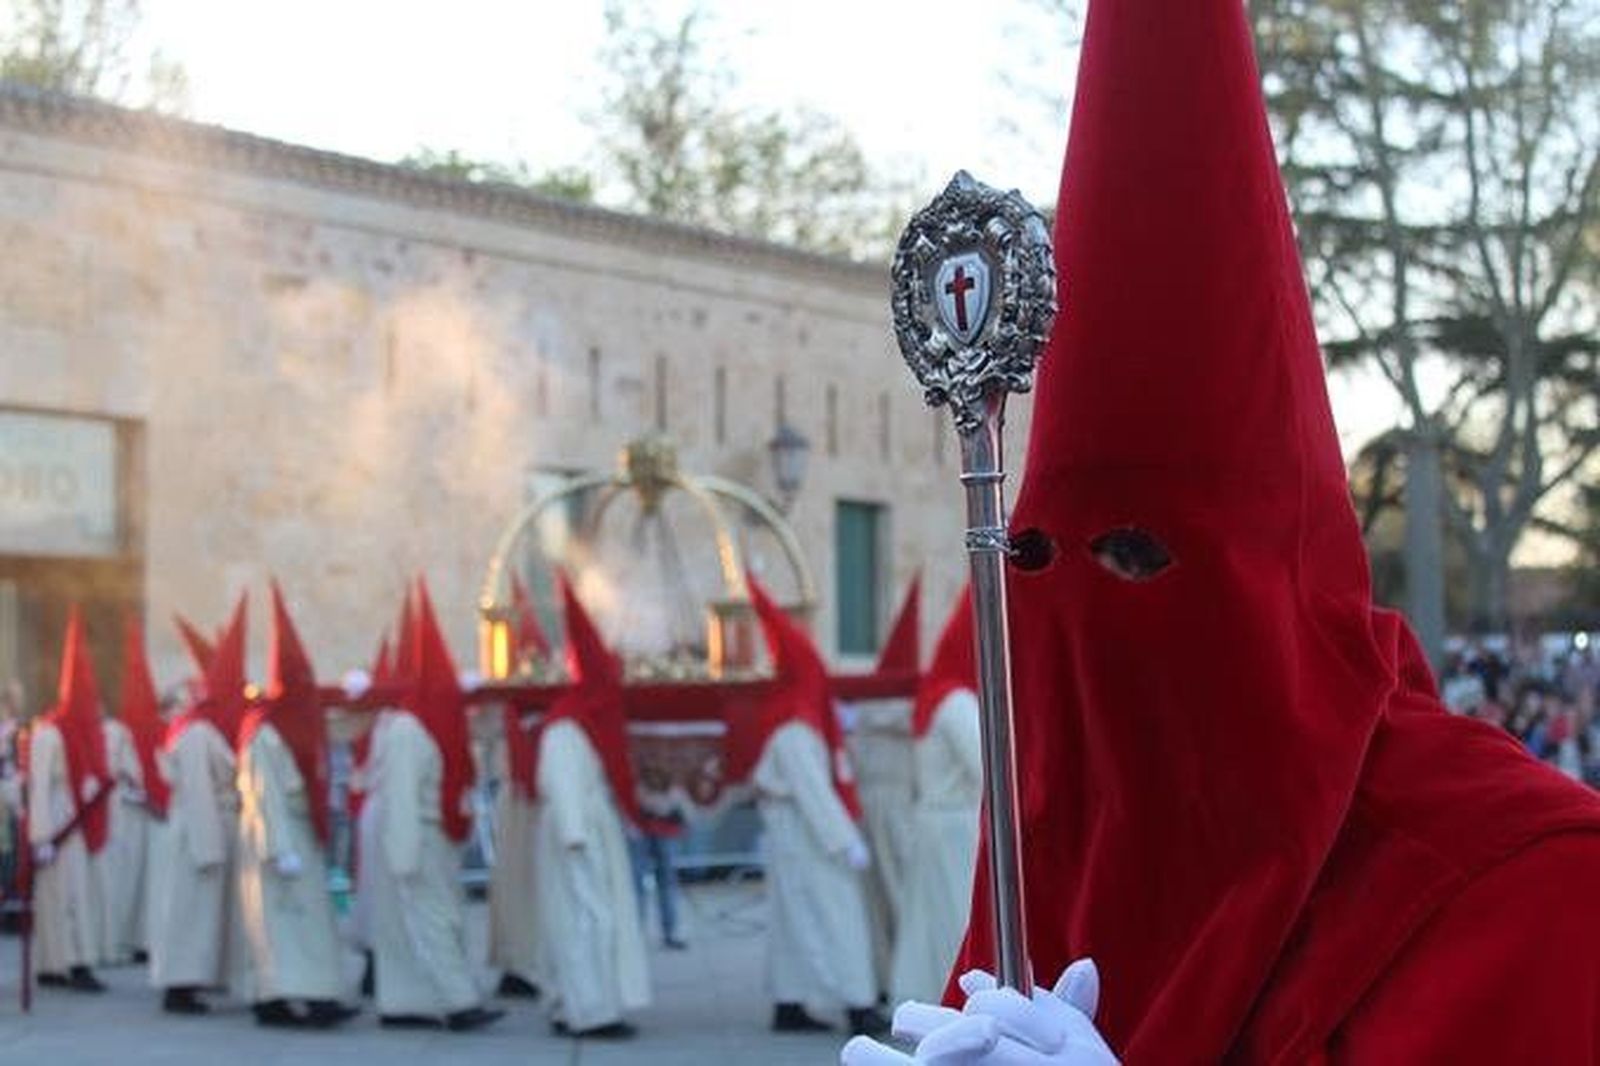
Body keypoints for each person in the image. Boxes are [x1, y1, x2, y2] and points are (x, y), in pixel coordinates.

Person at [847, 1, 1600, 1062]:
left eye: (1142, 556)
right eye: (1039, 561)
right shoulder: (1059, 834)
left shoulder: (1532, 887)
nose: (1091, 609)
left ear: (1288, 571)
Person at [730, 578, 887, 1037]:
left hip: (796, 836)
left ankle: (790, 1001)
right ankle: (856, 1003)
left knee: (794, 921)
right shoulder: (795, 730)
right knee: (835, 917)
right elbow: (815, 795)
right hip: (808, 838)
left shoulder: (793, 722)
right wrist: (846, 842)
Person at [362, 581, 501, 1031]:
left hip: (433, 835)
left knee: (426, 919)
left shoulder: (432, 725)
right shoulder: (406, 729)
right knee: (429, 918)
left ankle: (409, 1003)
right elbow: (400, 795)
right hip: (415, 837)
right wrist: (403, 854)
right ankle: (458, 1002)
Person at [233, 582, 358, 1028]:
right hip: (278, 834)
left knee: (305, 920)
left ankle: (299, 993)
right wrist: (278, 846)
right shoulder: (265, 731)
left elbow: (339, 728)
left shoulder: (296, 723)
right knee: (286, 921)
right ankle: (288, 996)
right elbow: (263, 792)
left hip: (298, 830)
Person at [531, 577, 650, 1039]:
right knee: (586, 919)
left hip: (586, 828)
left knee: (586, 918)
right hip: (574, 834)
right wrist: (576, 835)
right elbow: (562, 785)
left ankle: (574, 1002)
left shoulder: (584, 724)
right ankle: (590, 1010)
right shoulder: (565, 728)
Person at [150, 596, 250, 1015]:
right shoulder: (195, 734)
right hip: (198, 834)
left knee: (204, 915)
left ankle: (199, 979)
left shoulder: (207, 731)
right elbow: (198, 793)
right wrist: (210, 846)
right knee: (189, 914)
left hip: (211, 829)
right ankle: (180, 985)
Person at [889, 588, 981, 1006]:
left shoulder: (940, 696)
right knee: (954, 921)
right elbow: (987, 767)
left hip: (937, 820)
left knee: (928, 921)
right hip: (956, 825)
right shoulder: (958, 701)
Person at [25, 607, 110, 993]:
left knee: (76, 893)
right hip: (57, 820)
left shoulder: (82, 732)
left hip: (74, 818)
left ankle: (71, 960)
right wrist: (41, 837)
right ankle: (59, 963)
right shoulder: (48, 733)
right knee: (58, 896)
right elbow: (39, 786)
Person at [100, 617, 168, 967]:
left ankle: (143, 938)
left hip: (146, 816)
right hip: (122, 814)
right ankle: (117, 940)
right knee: (122, 881)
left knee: (148, 882)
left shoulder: (157, 728)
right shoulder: (113, 732)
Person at [487, 696, 544, 998]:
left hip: (520, 801)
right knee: (519, 887)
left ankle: (519, 962)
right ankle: (520, 964)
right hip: (519, 799)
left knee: (517, 887)